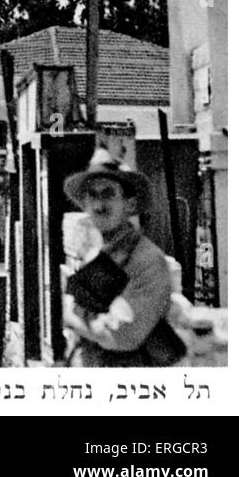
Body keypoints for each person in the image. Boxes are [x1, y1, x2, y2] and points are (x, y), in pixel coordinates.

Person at [61, 148, 184, 368]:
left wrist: (72, 316)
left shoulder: (147, 261)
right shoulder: (95, 255)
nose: (98, 205)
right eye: (92, 195)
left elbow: (121, 337)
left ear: (129, 204)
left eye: (108, 193)